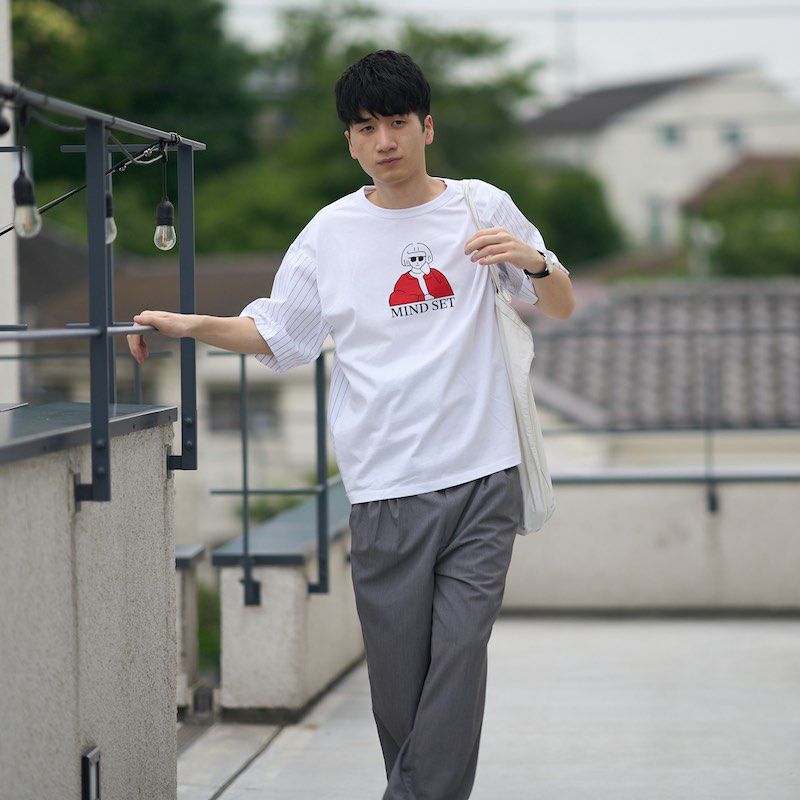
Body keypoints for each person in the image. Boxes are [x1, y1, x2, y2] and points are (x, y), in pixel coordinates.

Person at [128, 49, 575, 800]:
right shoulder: (330, 233)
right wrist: (190, 325)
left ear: (427, 126)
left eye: (398, 122)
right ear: (350, 142)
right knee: (400, 685)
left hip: (483, 473)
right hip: (385, 483)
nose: (384, 141)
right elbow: (280, 335)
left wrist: (535, 262)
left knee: (460, 654)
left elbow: (558, 305)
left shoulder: (480, 205)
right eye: (366, 128)